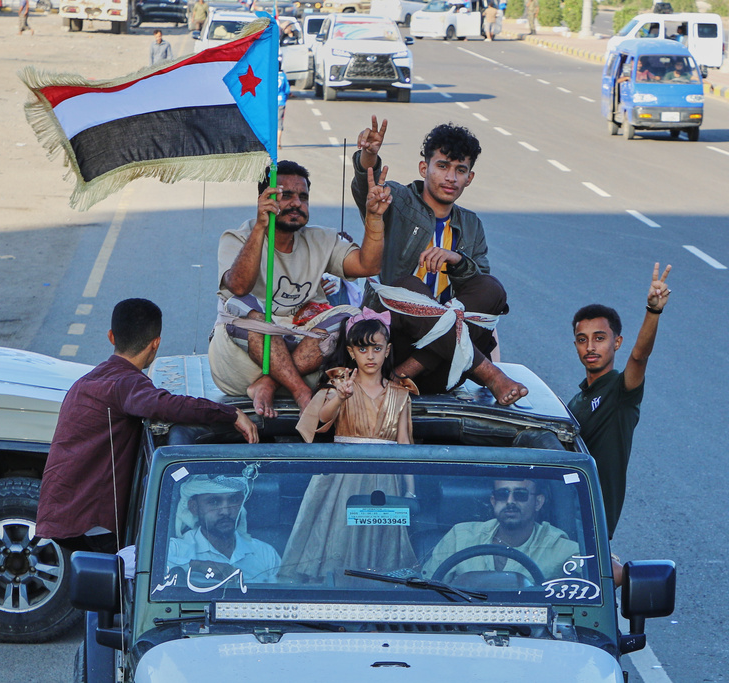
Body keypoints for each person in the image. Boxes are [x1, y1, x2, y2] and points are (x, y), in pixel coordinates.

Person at [36, 299, 259, 555]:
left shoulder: (84, 383)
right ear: (156, 343)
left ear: (111, 336)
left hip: (60, 516)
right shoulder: (126, 384)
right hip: (94, 523)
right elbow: (166, 405)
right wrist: (230, 413)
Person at [350, 117, 528, 405]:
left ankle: (404, 374)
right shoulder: (398, 200)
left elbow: (480, 293)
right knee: (408, 285)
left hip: (444, 361)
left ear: (469, 178)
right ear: (425, 168)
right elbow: (366, 189)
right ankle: (491, 374)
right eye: (442, 166)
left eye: (460, 170)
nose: (450, 178)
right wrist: (368, 156)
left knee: (492, 288)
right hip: (393, 341)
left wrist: (456, 260)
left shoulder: (471, 225)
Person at [210, 160, 391, 418]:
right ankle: (299, 392)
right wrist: (262, 226)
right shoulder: (238, 237)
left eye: (303, 197)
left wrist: (374, 218)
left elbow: (367, 265)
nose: (296, 203)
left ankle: (271, 383)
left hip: (305, 353)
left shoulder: (321, 238)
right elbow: (238, 286)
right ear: (264, 199)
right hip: (245, 363)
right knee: (240, 303)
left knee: (352, 315)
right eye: (286, 196)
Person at [282, 312, 418, 582]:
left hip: (385, 483)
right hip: (342, 481)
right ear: (350, 352)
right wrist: (341, 398)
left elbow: (405, 446)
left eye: (377, 348)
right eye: (362, 348)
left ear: (387, 350)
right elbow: (323, 417)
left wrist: (411, 491)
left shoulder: (401, 394)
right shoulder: (341, 386)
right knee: (338, 543)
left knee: (381, 552)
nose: (370, 356)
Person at [567, 263, 671, 539]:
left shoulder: (621, 391)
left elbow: (639, 357)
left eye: (599, 338)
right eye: (582, 339)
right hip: (557, 516)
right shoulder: (575, 402)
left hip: (591, 523)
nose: (590, 347)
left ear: (617, 342)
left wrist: (653, 310)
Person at [422, 479, 580, 583]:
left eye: (520, 494)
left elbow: (586, 598)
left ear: (538, 502)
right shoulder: (460, 536)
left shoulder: (563, 549)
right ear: (493, 501)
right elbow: (426, 589)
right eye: (502, 494)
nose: (510, 501)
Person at [166, 475, 281, 582]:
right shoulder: (174, 549)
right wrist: (196, 566)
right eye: (214, 502)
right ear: (194, 507)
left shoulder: (265, 553)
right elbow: (155, 571)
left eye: (234, 500)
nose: (226, 511)